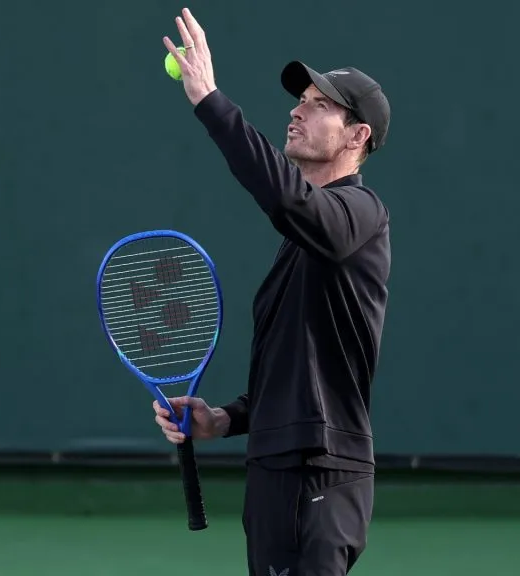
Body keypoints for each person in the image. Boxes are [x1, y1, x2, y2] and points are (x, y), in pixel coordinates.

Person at [154, 9, 392, 576]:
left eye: (319, 103)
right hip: (274, 466)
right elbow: (295, 370)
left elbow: (289, 203)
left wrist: (211, 101)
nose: (297, 108)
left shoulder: (361, 212)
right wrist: (225, 419)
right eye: (300, 98)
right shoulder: (300, 244)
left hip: (321, 469)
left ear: (357, 136)